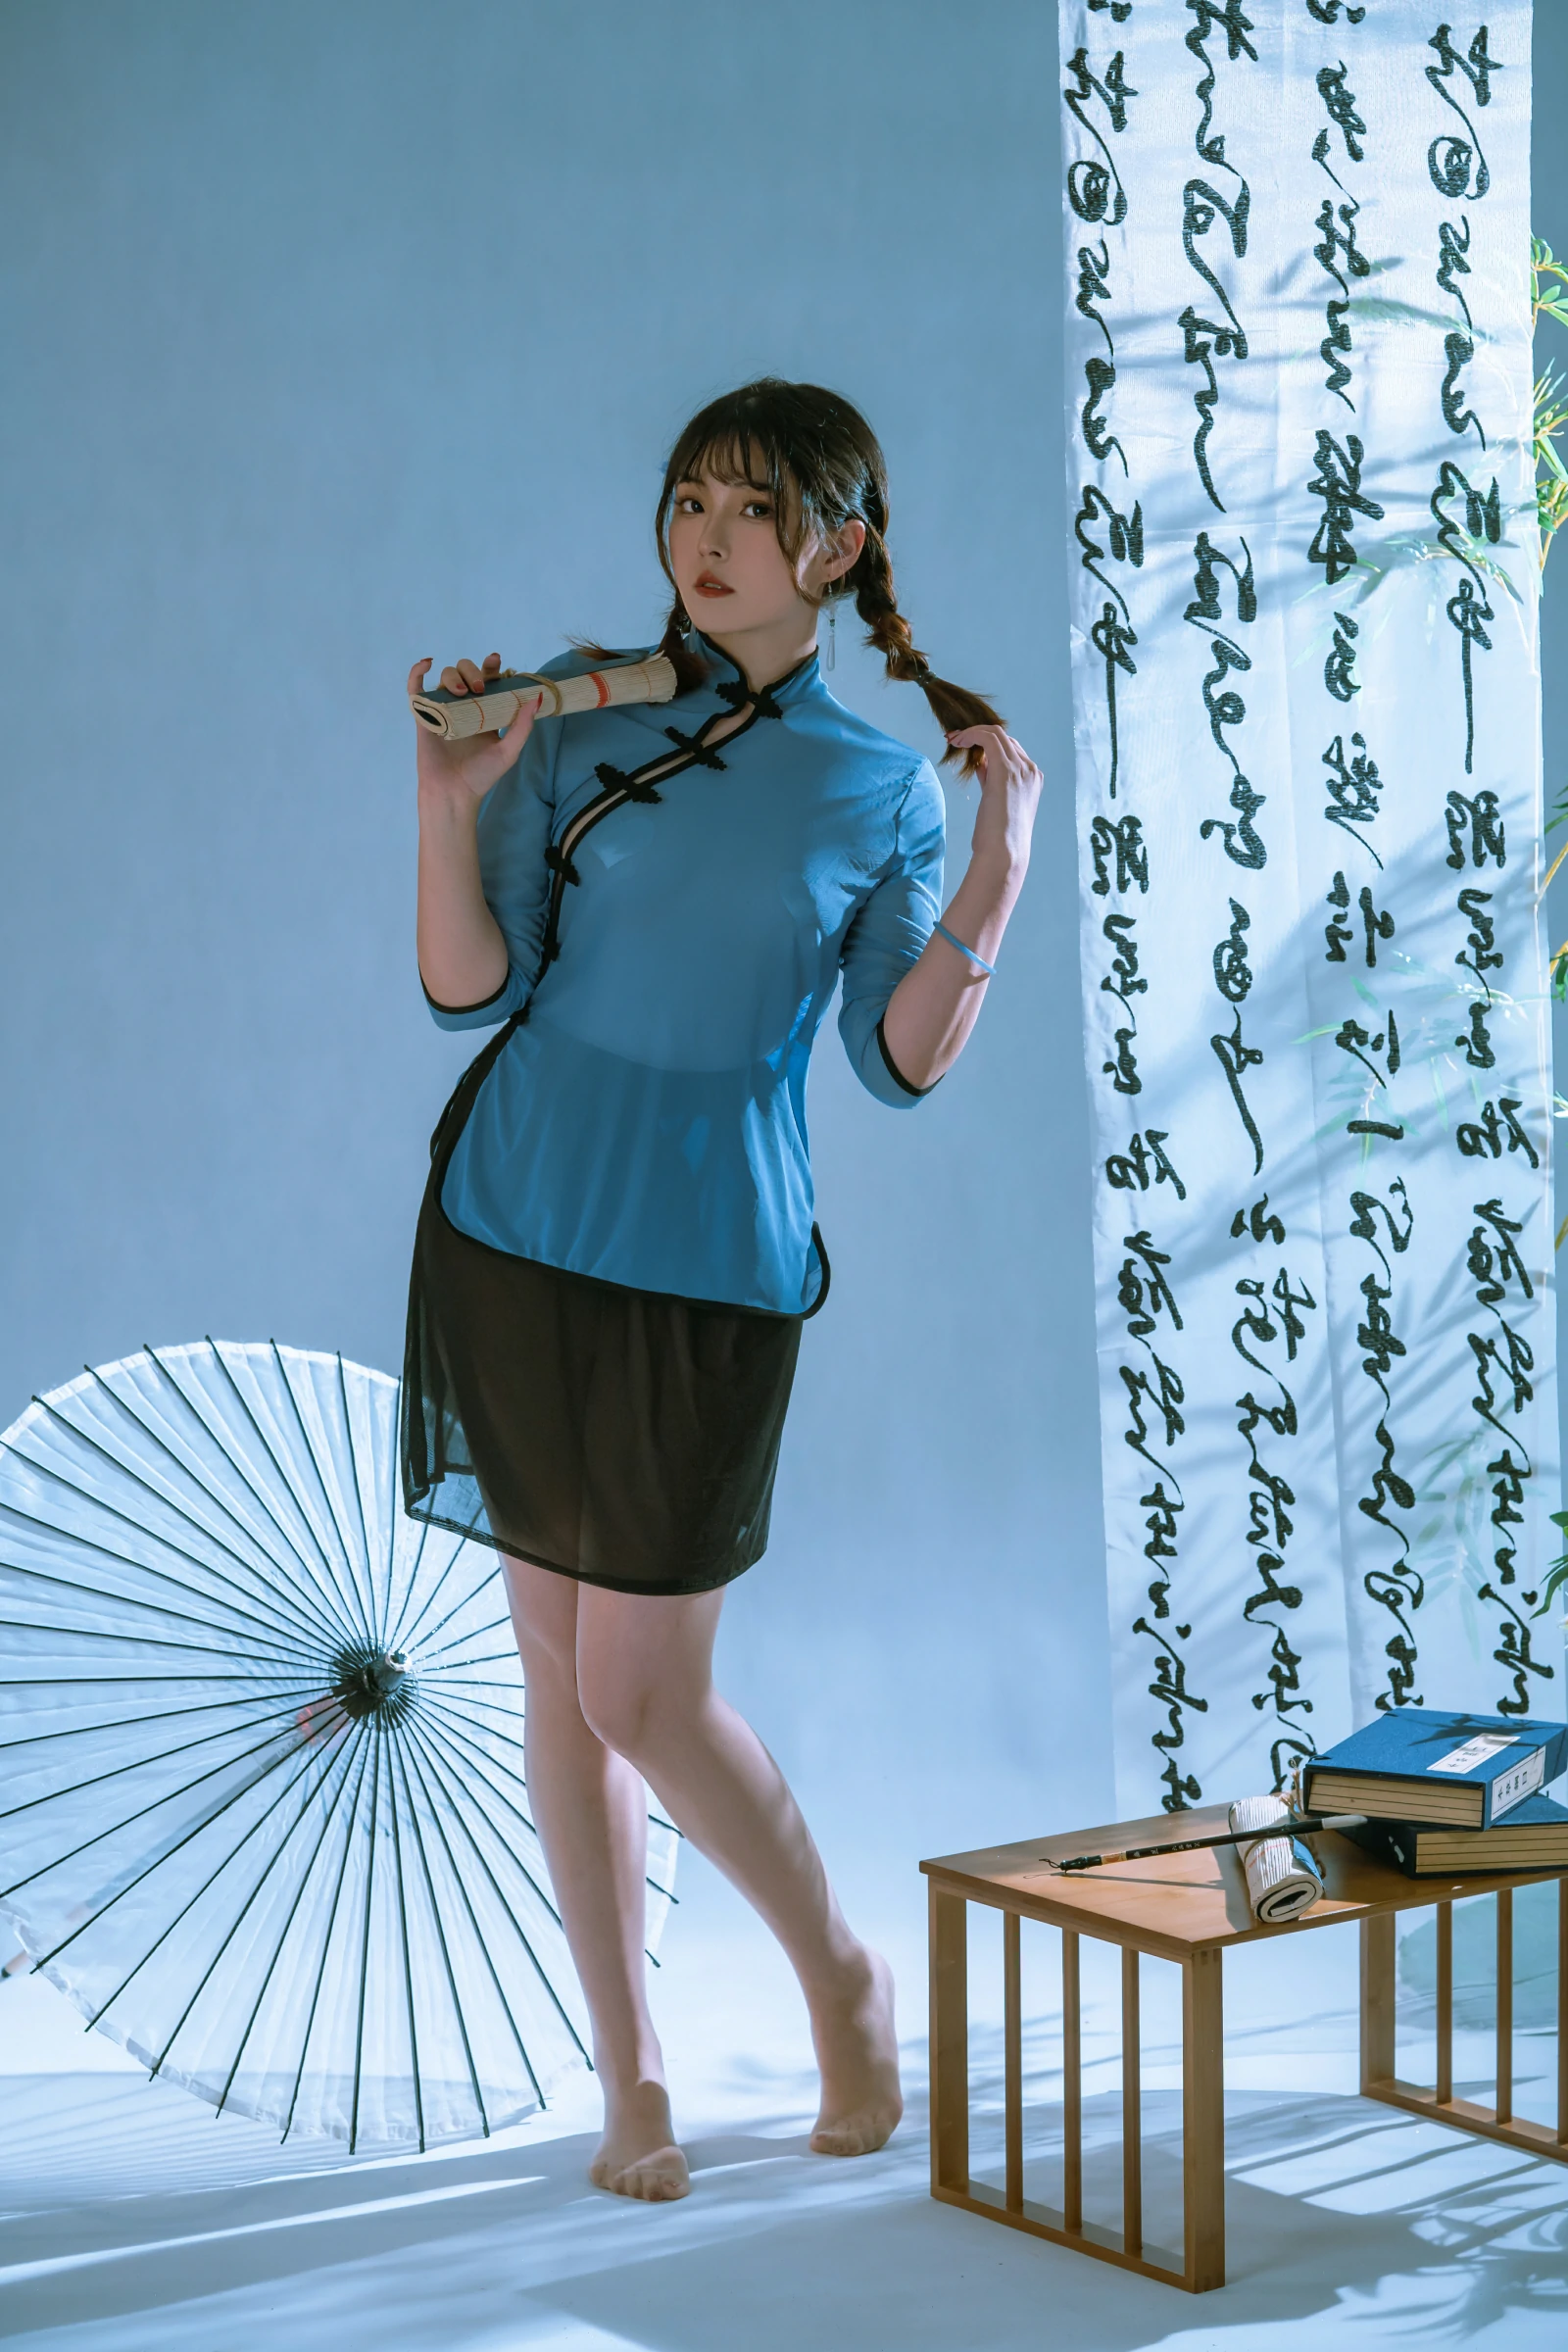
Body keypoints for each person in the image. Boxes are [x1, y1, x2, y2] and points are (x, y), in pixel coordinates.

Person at [403, 378, 1043, 2202]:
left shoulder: (875, 787)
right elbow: (467, 986)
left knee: (644, 1691)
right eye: (690, 498)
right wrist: (446, 801)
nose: (707, 537)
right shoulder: (576, 717)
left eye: (752, 508)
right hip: (516, 1222)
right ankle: (635, 2081)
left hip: (712, 1264)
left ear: (838, 546)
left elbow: (898, 1065)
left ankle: (841, 1976)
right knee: (558, 1674)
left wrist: (996, 877)